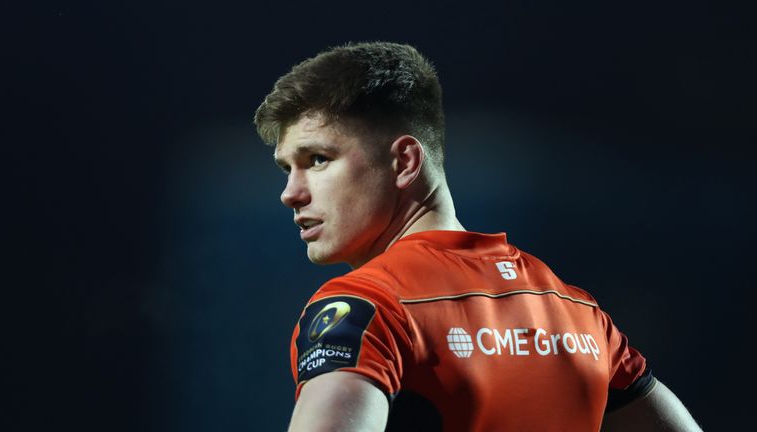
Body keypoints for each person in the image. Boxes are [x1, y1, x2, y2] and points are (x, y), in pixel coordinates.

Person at [254, 42, 701, 431]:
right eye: (286, 169)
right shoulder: (578, 312)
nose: (290, 194)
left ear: (406, 162)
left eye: (317, 159)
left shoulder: (365, 306)